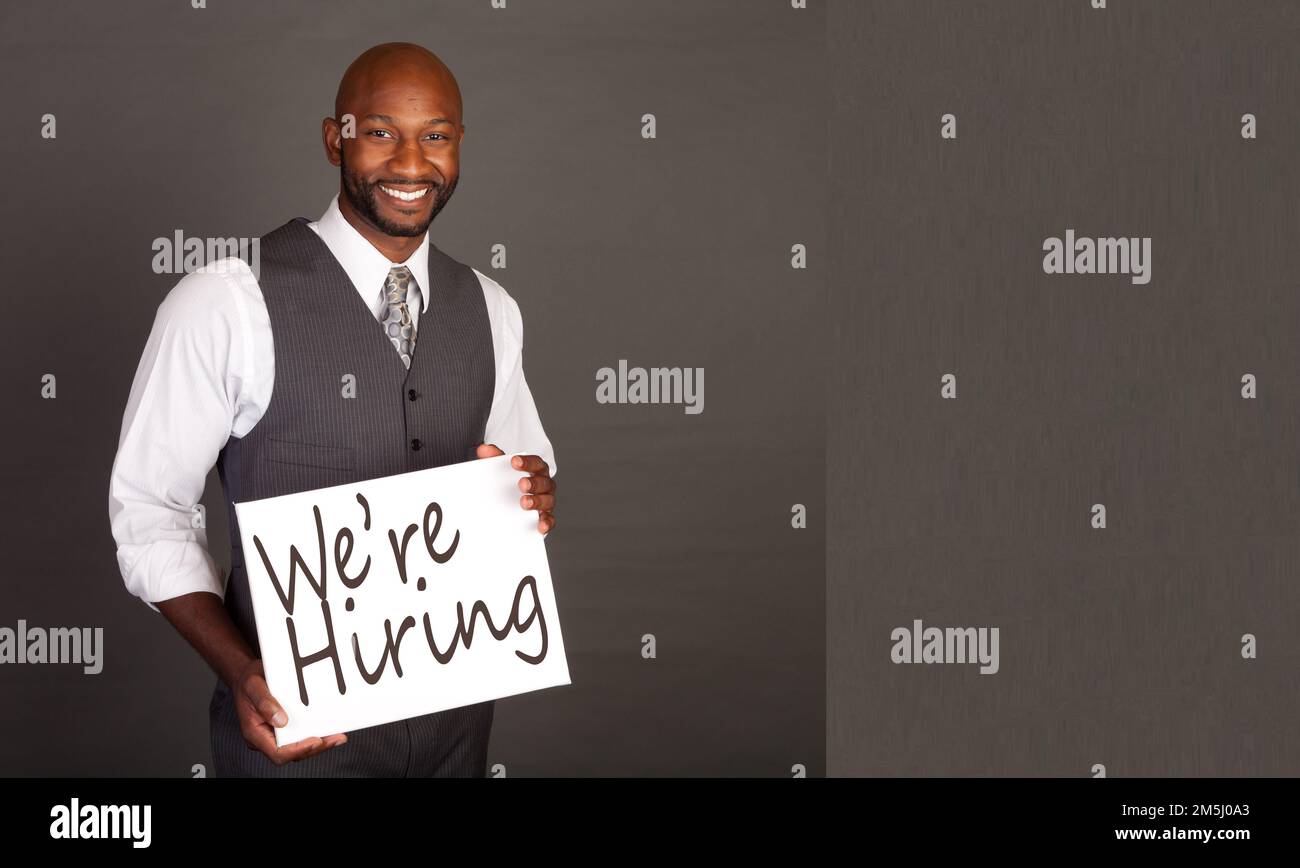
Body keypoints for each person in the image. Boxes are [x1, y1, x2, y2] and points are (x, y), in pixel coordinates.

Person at [108, 42, 558, 777]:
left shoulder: (493, 309)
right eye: (381, 132)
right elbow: (149, 512)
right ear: (334, 138)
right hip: (297, 744)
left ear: (459, 146)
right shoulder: (228, 300)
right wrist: (241, 671)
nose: (411, 163)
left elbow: (523, 481)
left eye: (435, 136)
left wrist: (532, 492)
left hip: (458, 743)